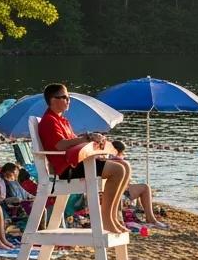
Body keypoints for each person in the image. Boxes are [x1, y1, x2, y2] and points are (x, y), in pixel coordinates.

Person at [38, 82, 130, 234]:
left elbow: (74, 143)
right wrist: (86, 138)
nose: (68, 100)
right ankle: (106, 219)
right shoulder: (49, 120)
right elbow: (60, 145)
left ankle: (113, 217)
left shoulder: (63, 121)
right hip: (68, 168)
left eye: (68, 97)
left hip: (77, 163)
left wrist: (92, 141)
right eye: (64, 97)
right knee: (118, 170)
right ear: (53, 100)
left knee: (125, 166)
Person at [110, 141, 169, 229]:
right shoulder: (119, 161)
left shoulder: (106, 159)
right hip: (118, 195)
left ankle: (150, 217)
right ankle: (151, 219)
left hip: (111, 193)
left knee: (142, 187)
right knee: (145, 188)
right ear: (120, 151)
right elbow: (124, 183)